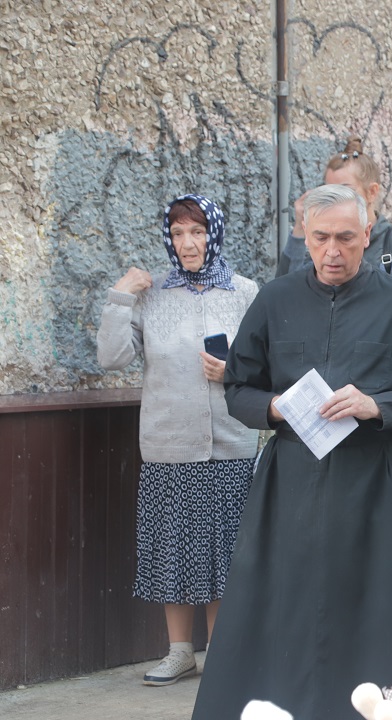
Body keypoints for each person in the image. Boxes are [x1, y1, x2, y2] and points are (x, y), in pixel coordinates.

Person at [187, 184, 392, 720]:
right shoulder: (275, 300)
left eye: (346, 239)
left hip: (374, 487)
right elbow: (238, 385)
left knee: (375, 610)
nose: (333, 251)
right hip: (291, 488)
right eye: (320, 238)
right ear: (303, 236)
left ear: (368, 236)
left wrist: (377, 405)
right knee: (282, 609)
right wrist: (274, 407)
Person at [96, 194, 260, 686]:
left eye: (198, 231)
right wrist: (121, 295)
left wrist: (235, 371)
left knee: (224, 554)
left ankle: (221, 657)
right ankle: (180, 652)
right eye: (178, 232)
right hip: (169, 446)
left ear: (215, 233)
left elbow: (269, 363)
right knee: (173, 549)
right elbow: (111, 358)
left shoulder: (246, 292)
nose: (188, 242)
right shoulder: (152, 294)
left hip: (231, 444)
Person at [276, 136, 392, 295]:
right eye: (329, 191)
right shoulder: (319, 241)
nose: (335, 200)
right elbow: (282, 296)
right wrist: (300, 229)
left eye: (345, 191)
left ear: (372, 192)